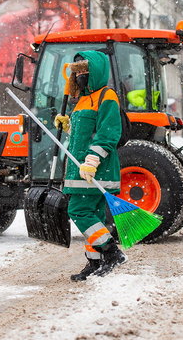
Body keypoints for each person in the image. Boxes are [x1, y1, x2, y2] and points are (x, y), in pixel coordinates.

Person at [54, 50, 127, 281]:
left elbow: (108, 133)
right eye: (78, 72)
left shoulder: (107, 96)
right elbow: (83, 135)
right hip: (79, 169)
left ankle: (112, 253)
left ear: (96, 71)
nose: (82, 75)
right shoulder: (83, 100)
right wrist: (68, 127)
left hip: (96, 169)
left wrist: (93, 161)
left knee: (79, 211)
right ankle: (95, 262)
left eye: (86, 70)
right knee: (93, 216)